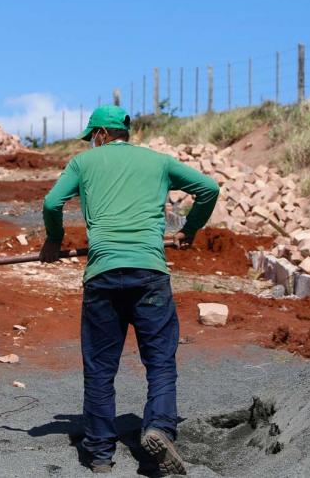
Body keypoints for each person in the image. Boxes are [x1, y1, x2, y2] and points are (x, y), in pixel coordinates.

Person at [40, 105, 219, 475]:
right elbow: (209, 188)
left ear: (102, 134)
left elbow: (52, 202)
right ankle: (159, 429)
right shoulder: (159, 162)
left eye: (92, 136)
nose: (91, 142)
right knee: (160, 361)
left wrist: (54, 239)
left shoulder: (82, 164)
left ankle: (100, 454)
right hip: (149, 274)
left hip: (103, 276)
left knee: (100, 367)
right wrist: (189, 229)